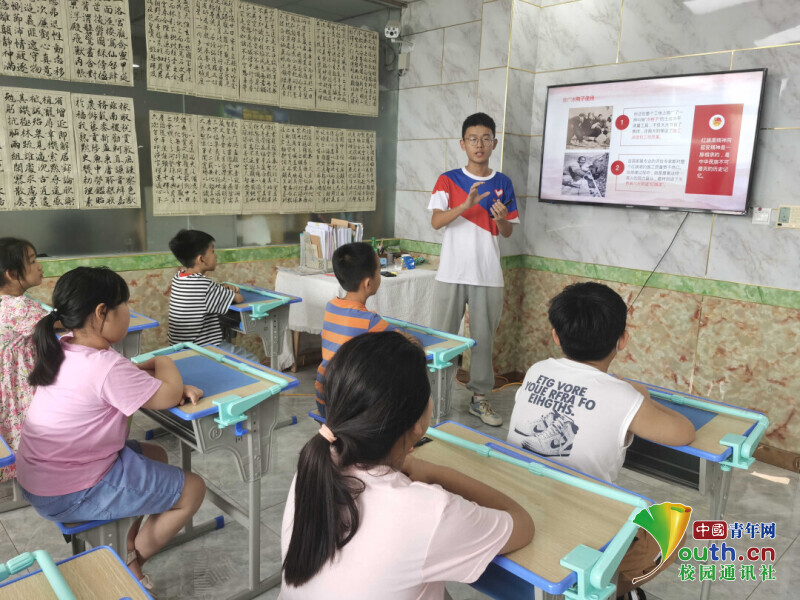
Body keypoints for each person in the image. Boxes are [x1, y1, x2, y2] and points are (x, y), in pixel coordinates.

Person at [281, 331, 535, 599]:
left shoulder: (314, 463)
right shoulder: (431, 511)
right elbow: (522, 524)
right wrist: (434, 472)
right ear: (416, 425)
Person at [17, 267, 207, 591]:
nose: (129, 313)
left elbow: (122, 374)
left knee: (156, 454)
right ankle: (133, 562)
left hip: (40, 477)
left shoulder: (64, 347)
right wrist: (166, 363)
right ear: (102, 312)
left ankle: (130, 540)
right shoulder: (105, 367)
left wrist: (145, 372)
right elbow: (170, 395)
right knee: (193, 489)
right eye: (125, 305)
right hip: (73, 489)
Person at [507, 282, 695, 599]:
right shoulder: (622, 396)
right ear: (622, 340)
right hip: (577, 523)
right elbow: (684, 432)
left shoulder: (537, 371)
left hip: (519, 500)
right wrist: (641, 395)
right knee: (672, 530)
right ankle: (607, 590)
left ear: (556, 335)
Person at [429, 112, 520, 426]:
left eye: (485, 138)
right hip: (450, 274)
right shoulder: (447, 180)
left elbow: (507, 233)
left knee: (482, 341)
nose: (479, 144)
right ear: (462, 143)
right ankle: (433, 399)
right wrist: (465, 206)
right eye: (472, 138)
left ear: (494, 143)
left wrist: (501, 220)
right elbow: (437, 222)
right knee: (441, 340)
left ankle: (479, 399)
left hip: (487, 275)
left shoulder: (503, 183)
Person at [315, 242, 394, 417]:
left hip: (323, 400)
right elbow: (402, 341)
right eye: (379, 270)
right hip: (347, 409)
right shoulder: (370, 321)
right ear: (368, 283)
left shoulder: (331, 307)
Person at [167, 229, 257, 361]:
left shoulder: (178, 278)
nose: (215, 256)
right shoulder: (205, 285)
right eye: (213, 251)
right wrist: (227, 291)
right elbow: (238, 298)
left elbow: (200, 295)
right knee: (253, 360)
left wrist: (220, 289)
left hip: (180, 347)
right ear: (201, 259)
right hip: (204, 348)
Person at [0, 238, 47, 482]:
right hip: (19, 385)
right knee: (28, 427)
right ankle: (33, 477)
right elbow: (61, 322)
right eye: (32, 261)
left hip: (6, 383)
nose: (39, 266)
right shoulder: (19, 307)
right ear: (12, 274)